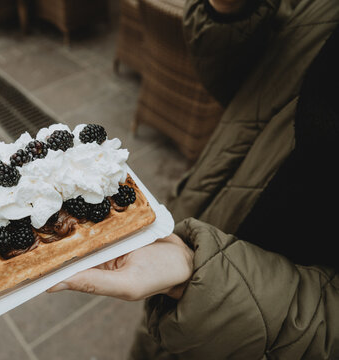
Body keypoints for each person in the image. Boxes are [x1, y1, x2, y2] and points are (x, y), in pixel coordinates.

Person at [48, 0, 339, 358]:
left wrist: (204, 278)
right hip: (198, 225)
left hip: (252, 323)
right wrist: (230, 13)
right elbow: (245, 84)